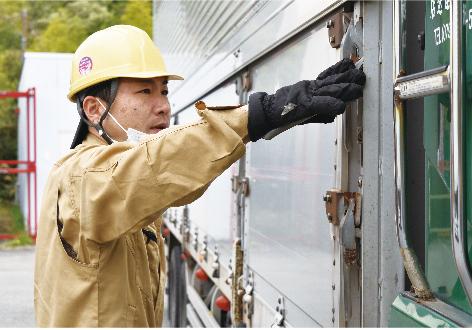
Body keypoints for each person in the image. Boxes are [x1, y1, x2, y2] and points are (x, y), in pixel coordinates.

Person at [33, 25, 365, 327]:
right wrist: (259, 115)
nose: (163, 105)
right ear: (94, 109)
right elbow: (156, 164)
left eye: (163, 90)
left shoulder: (110, 172)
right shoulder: (80, 178)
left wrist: (280, 119)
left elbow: (168, 157)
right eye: (145, 92)